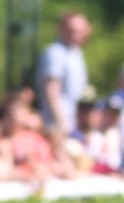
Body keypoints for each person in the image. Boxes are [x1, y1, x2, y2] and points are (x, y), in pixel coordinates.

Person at [35, 11, 92, 144]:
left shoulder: (75, 53)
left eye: (79, 30)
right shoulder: (55, 53)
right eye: (72, 30)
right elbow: (51, 89)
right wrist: (61, 123)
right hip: (57, 125)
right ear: (61, 29)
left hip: (72, 124)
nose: (76, 34)